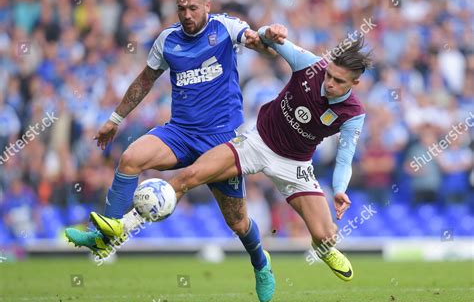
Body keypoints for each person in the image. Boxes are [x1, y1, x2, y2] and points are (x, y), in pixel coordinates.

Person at [92, 24, 372, 286]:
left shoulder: (353, 114)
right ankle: (122, 227)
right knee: (189, 176)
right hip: (257, 142)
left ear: (355, 83)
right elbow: (264, 37)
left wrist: (339, 190)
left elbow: (345, 158)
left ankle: (321, 249)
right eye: (329, 75)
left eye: (338, 81)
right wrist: (270, 30)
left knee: (326, 236)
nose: (329, 83)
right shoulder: (310, 65)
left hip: (295, 164)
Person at [65, 0, 276, 302]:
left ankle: (261, 263)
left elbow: (255, 42)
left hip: (221, 140)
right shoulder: (168, 41)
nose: (187, 14)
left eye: (193, 8)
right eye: (182, 9)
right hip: (180, 132)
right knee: (131, 158)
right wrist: (114, 120)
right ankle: (105, 236)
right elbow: (143, 81)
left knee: (237, 221)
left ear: (207, 6)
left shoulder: (225, 28)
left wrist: (266, 37)